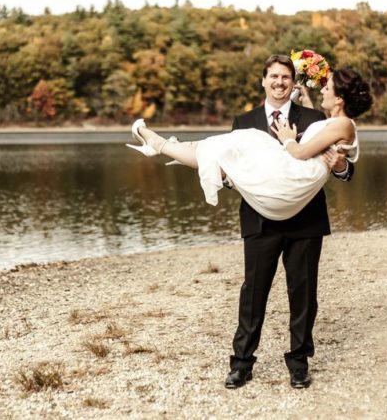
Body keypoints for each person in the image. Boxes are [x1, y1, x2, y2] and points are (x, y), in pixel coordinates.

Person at [126, 54, 373, 389]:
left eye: (285, 77)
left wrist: (340, 166)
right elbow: (234, 168)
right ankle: (242, 362)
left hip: (305, 220)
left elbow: (346, 168)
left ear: (293, 82)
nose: (279, 82)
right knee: (253, 292)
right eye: (273, 76)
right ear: (263, 81)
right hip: (259, 217)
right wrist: (229, 179)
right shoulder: (245, 120)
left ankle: (299, 364)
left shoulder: (315, 117)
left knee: (303, 293)